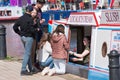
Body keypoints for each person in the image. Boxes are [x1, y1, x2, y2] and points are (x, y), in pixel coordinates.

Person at [13, 5, 39, 75]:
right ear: (30, 11)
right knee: (27, 54)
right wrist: (36, 29)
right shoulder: (30, 19)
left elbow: (14, 27)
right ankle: (23, 70)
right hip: (29, 38)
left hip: (23, 37)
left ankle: (31, 69)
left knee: (28, 53)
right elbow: (31, 30)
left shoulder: (21, 18)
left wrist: (19, 33)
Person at [31, 0, 46, 65]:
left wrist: (41, 20)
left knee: (39, 45)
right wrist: (39, 22)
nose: (42, 6)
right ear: (38, 3)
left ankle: (37, 60)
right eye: (41, 5)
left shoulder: (39, 10)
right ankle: (33, 62)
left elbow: (39, 18)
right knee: (34, 47)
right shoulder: (34, 10)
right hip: (35, 30)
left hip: (40, 29)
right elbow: (32, 20)